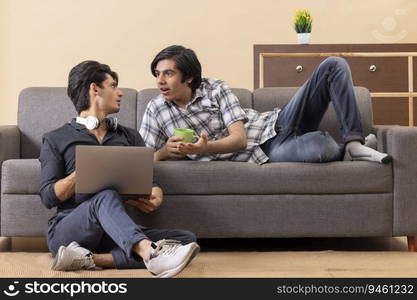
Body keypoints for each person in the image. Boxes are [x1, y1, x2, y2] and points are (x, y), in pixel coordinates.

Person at [39, 60, 199, 278]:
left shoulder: (130, 136)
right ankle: (150, 255)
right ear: (95, 89)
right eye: (113, 85)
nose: (120, 92)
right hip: (68, 229)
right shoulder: (55, 138)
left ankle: (88, 259)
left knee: (186, 240)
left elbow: (149, 182)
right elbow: (48, 197)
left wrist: (155, 194)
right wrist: (84, 172)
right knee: (106, 195)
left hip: (114, 231)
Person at [139, 45, 392, 165]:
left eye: (168, 73)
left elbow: (238, 139)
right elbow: (140, 160)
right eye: (157, 73)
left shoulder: (215, 88)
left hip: (276, 124)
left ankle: (355, 143)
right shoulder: (156, 109)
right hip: (268, 154)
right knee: (322, 147)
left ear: (189, 77)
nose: (160, 80)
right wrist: (164, 152)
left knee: (334, 64)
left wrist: (205, 148)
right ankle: (344, 149)